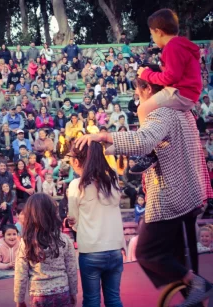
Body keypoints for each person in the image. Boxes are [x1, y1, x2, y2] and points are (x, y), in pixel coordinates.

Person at [75, 72, 213, 306]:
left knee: (147, 252)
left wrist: (104, 136)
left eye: (137, 90)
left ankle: (196, 283)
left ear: (148, 88)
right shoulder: (183, 111)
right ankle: (195, 292)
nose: (135, 95)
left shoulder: (161, 112)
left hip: (172, 199)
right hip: (190, 196)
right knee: (179, 259)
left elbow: (144, 140)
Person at [132, 9, 202, 173]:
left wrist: (146, 74)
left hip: (181, 93)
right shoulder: (181, 45)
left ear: (158, 32)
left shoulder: (172, 47)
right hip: (189, 94)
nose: (153, 39)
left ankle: (148, 153)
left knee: (142, 109)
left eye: (152, 34)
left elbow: (170, 77)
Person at [67, 141, 124, 306]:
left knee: (91, 300)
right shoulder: (113, 181)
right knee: (114, 299)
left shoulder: (76, 185)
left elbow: (74, 220)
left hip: (91, 250)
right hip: (114, 249)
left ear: (76, 162)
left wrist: (73, 223)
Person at [14, 193, 78, 306]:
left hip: (38, 295)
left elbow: (21, 274)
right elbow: (72, 269)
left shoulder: (26, 242)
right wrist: (73, 292)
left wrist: (19, 299)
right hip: (62, 291)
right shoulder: (64, 240)